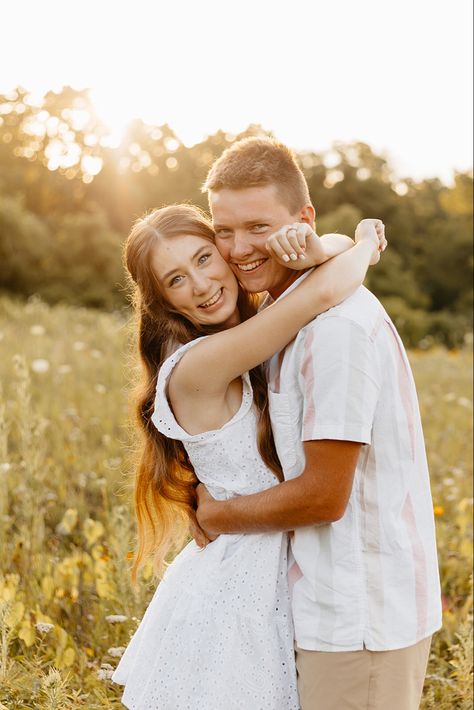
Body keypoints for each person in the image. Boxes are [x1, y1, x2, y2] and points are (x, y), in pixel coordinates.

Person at [195, 137, 442, 710]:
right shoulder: (285, 314)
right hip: (319, 606)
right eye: (223, 230)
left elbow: (326, 496)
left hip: (360, 618)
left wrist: (216, 515)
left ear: (302, 219)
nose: (237, 248)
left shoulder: (336, 330)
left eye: (257, 227)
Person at [111, 203, 383, 709]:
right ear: (163, 301)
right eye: (175, 279)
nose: (200, 284)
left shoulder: (247, 336)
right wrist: (366, 240)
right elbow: (324, 289)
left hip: (273, 575)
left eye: (204, 258)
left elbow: (329, 264)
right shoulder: (199, 364)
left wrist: (334, 245)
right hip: (234, 594)